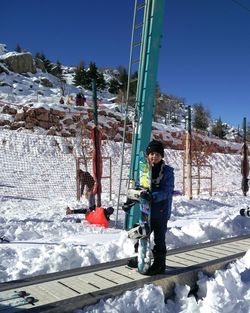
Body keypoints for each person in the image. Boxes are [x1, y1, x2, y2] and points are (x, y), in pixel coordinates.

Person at [126, 139, 174, 275]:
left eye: (157, 154)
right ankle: (140, 257)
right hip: (146, 212)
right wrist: (130, 201)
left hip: (161, 211)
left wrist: (152, 196)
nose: (154, 156)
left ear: (161, 156)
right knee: (142, 234)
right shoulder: (144, 171)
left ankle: (160, 263)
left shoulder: (167, 172)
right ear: (148, 155)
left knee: (159, 239)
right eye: (152, 153)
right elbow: (139, 188)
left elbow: (167, 191)